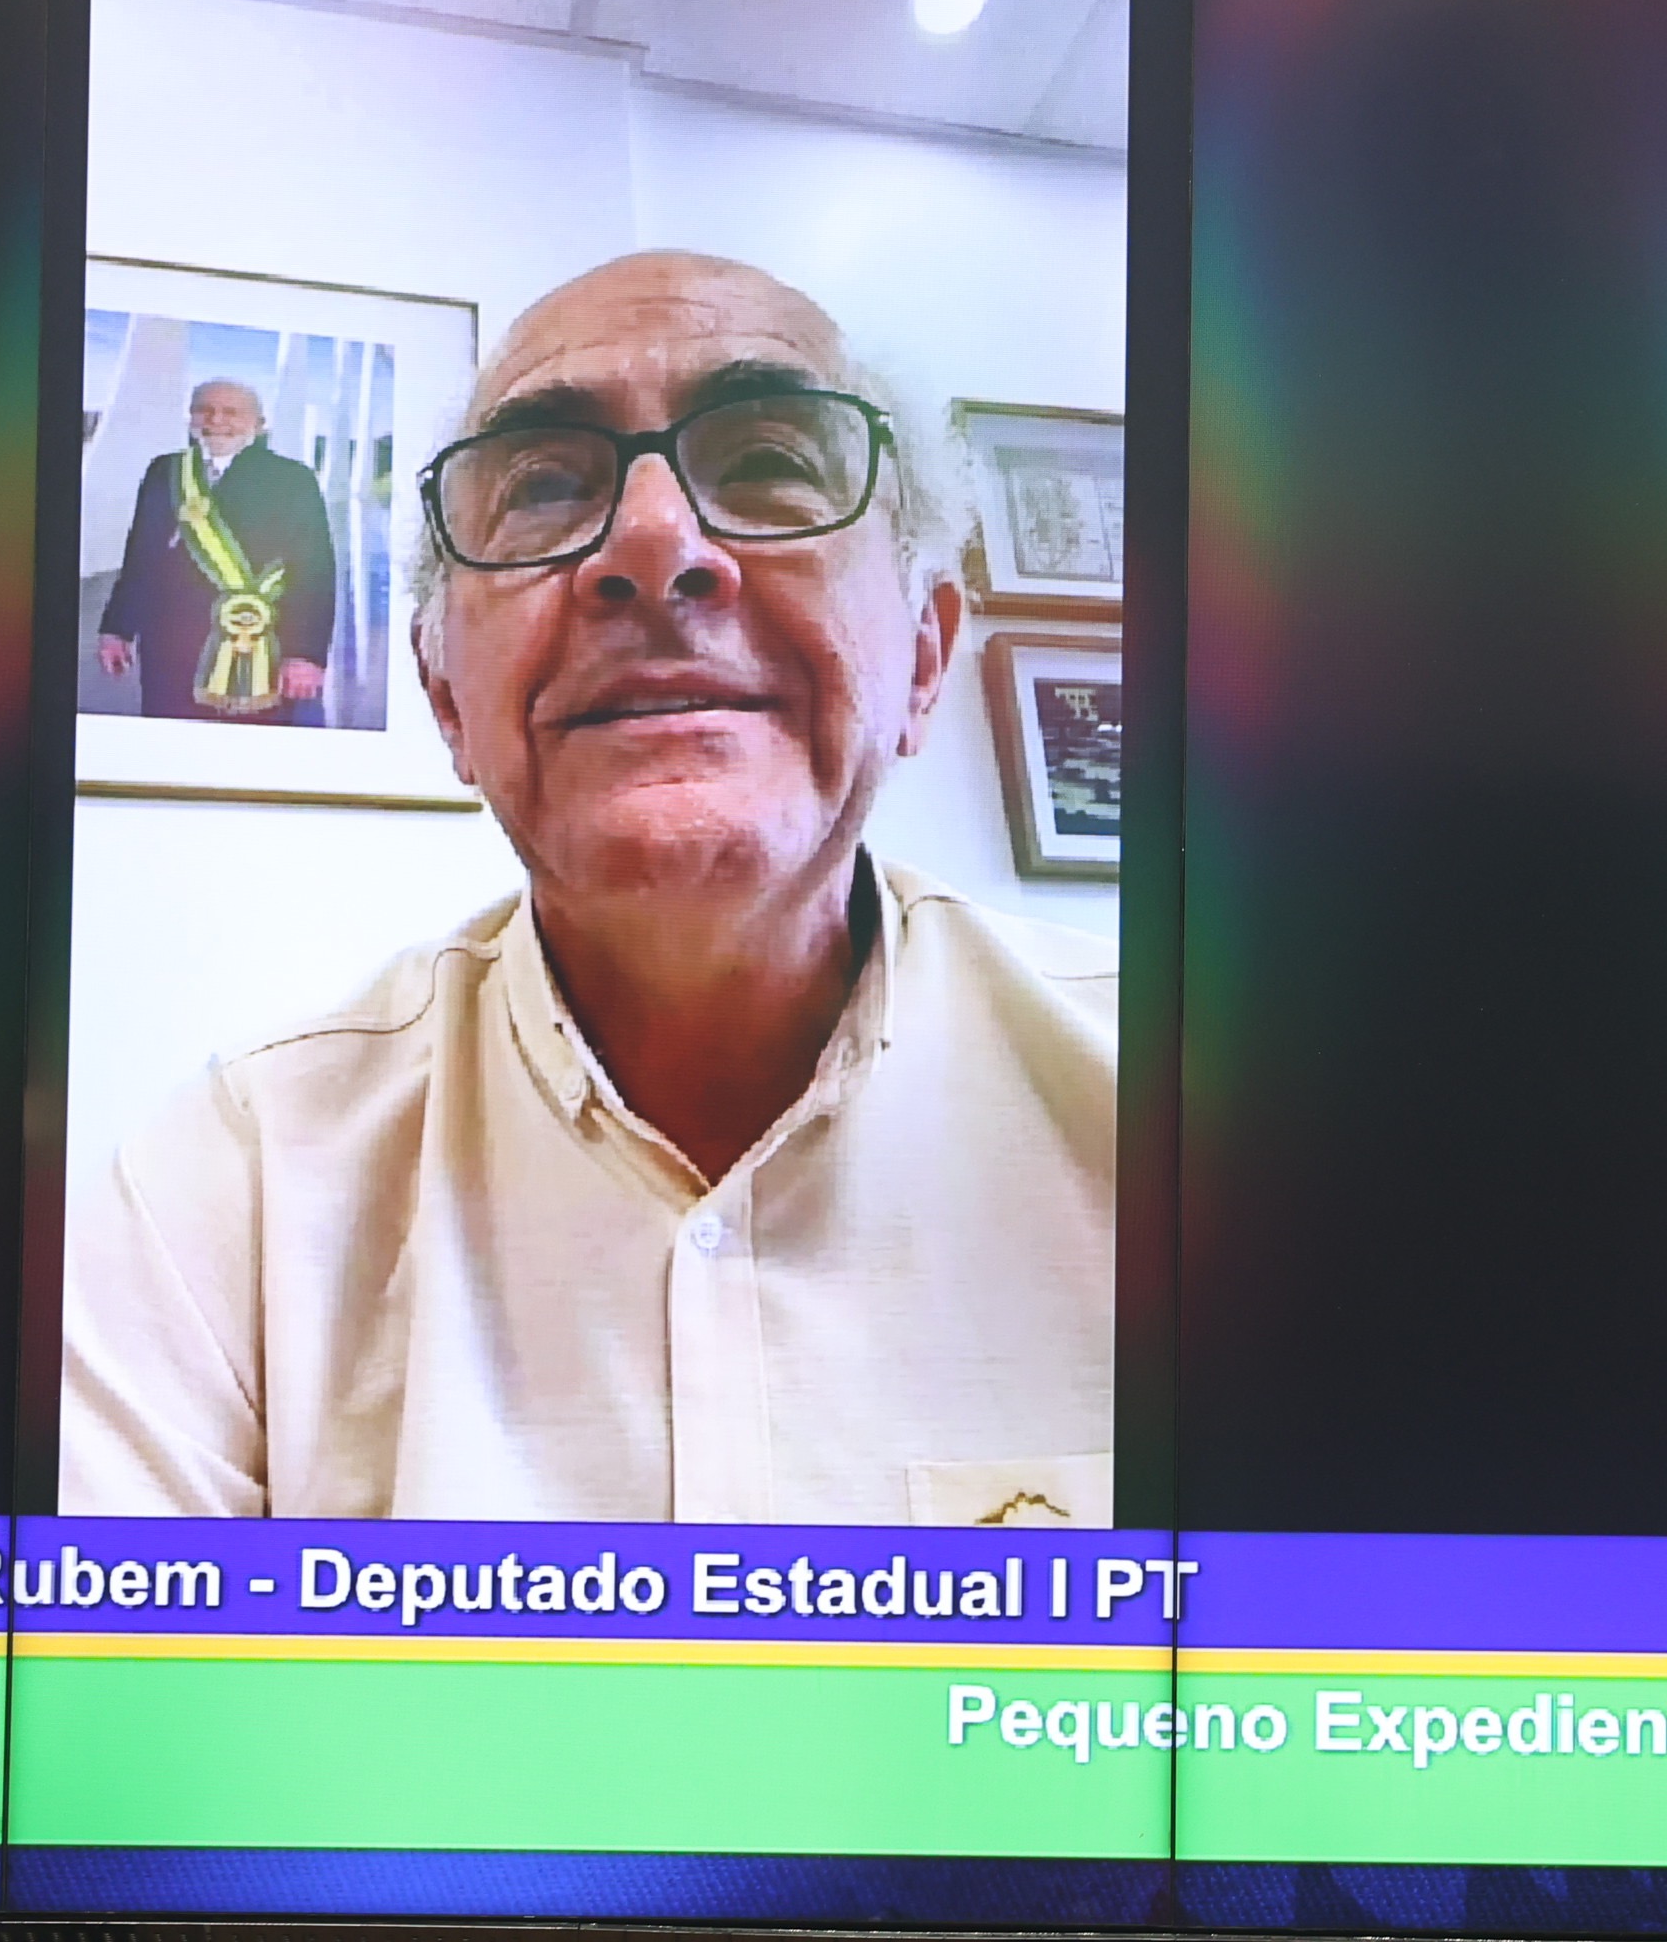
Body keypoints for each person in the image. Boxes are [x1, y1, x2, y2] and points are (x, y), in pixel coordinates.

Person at [62, 250, 1116, 1522]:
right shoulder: (230, 1197)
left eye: (768, 463)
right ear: (448, 698)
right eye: (547, 487)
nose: (654, 543)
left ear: (925, 658)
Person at [98, 378, 337, 727]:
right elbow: (140, 557)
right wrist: (116, 629)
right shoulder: (164, 471)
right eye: (204, 410)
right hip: (169, 644)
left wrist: (305, 654)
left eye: (231, 412)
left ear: (259, 424)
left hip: (260, 642)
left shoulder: (292, 478)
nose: (216, 420)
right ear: (191, 417)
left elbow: (315, 572)